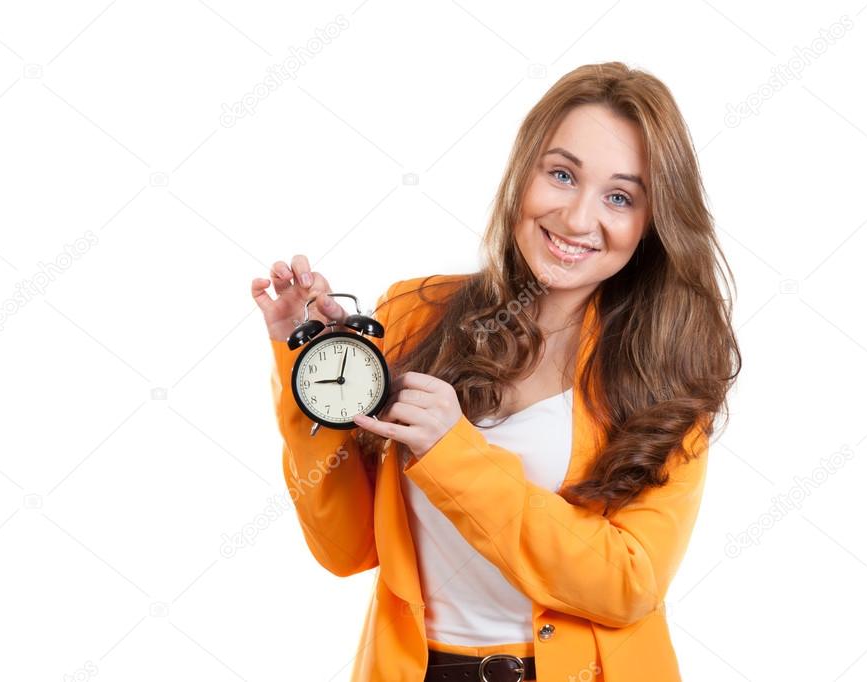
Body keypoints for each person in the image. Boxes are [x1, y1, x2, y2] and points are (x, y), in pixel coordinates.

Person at [252, 61, 740, 682]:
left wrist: (454, 453)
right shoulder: (414, 313)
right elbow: (346, 549)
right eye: (561, 175)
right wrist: (311, 368)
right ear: (523, 173)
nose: (576, 218)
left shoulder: (667, 368)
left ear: (652, 223)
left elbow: (627, 584)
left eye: (620, 196)